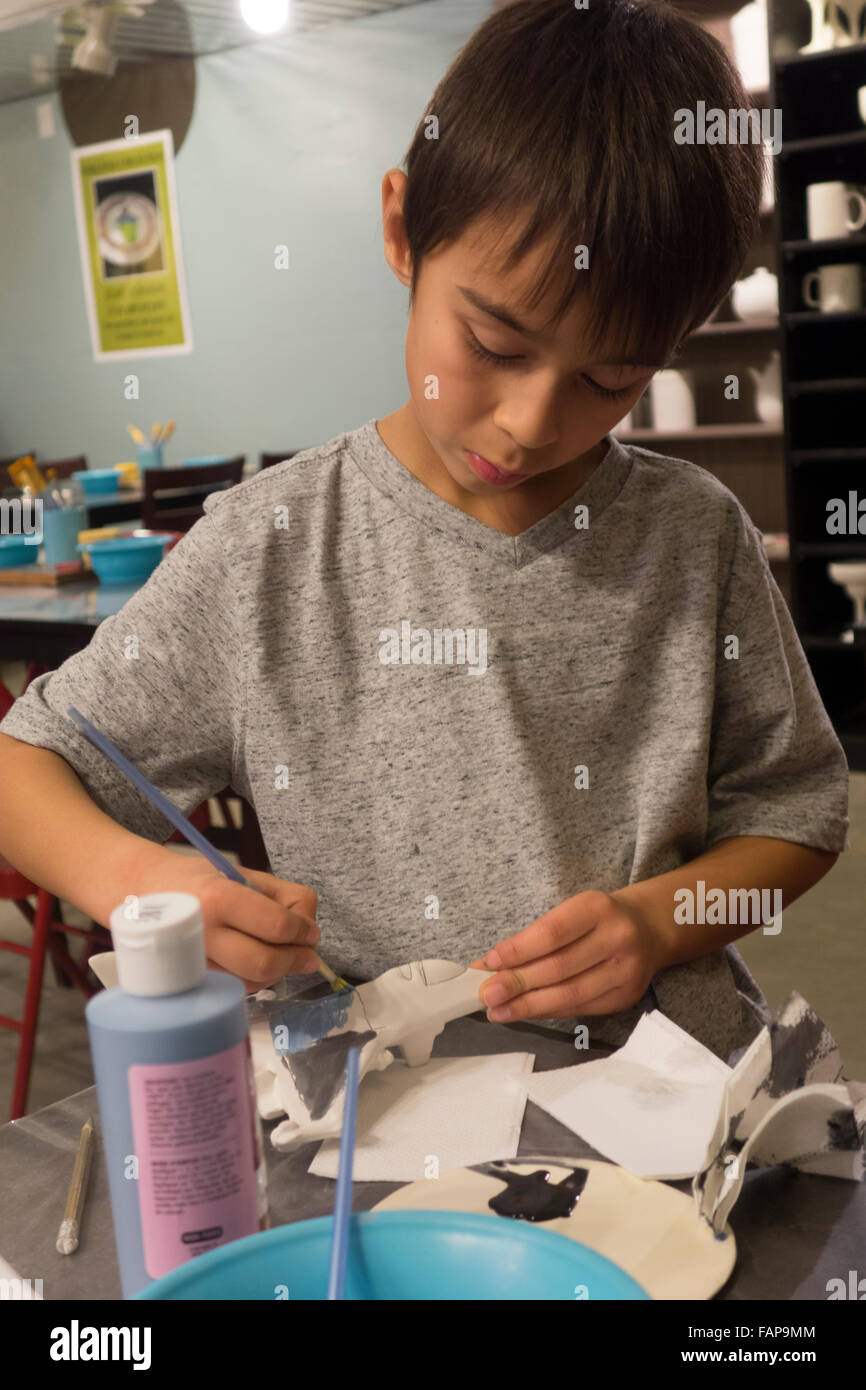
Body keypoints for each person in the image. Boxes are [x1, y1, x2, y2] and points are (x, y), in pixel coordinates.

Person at [0, 0, 848, 1063]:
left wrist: (657, 922)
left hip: (667, 1098)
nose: (529, 421)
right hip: (385, 1112)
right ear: (401, 230)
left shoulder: (690, 535)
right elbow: (26, 761)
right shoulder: (271, 550)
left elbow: (799, 814)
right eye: (493, 342)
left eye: (610, 378)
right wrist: (141, 881)